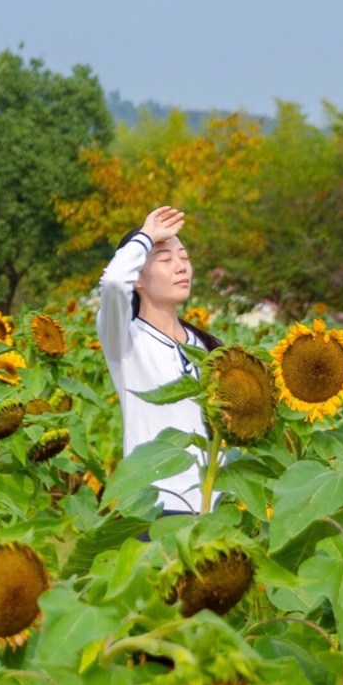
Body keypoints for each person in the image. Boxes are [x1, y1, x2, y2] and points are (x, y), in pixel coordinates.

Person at [96, 205, 221, 514]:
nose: (181, 267)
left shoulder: (206, 347)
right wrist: (146, 236)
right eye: (165, 260)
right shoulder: (125, 340)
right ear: (138, 277)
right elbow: (112, 282)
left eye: (185, 258)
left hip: (211, 505)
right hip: (153, 506)